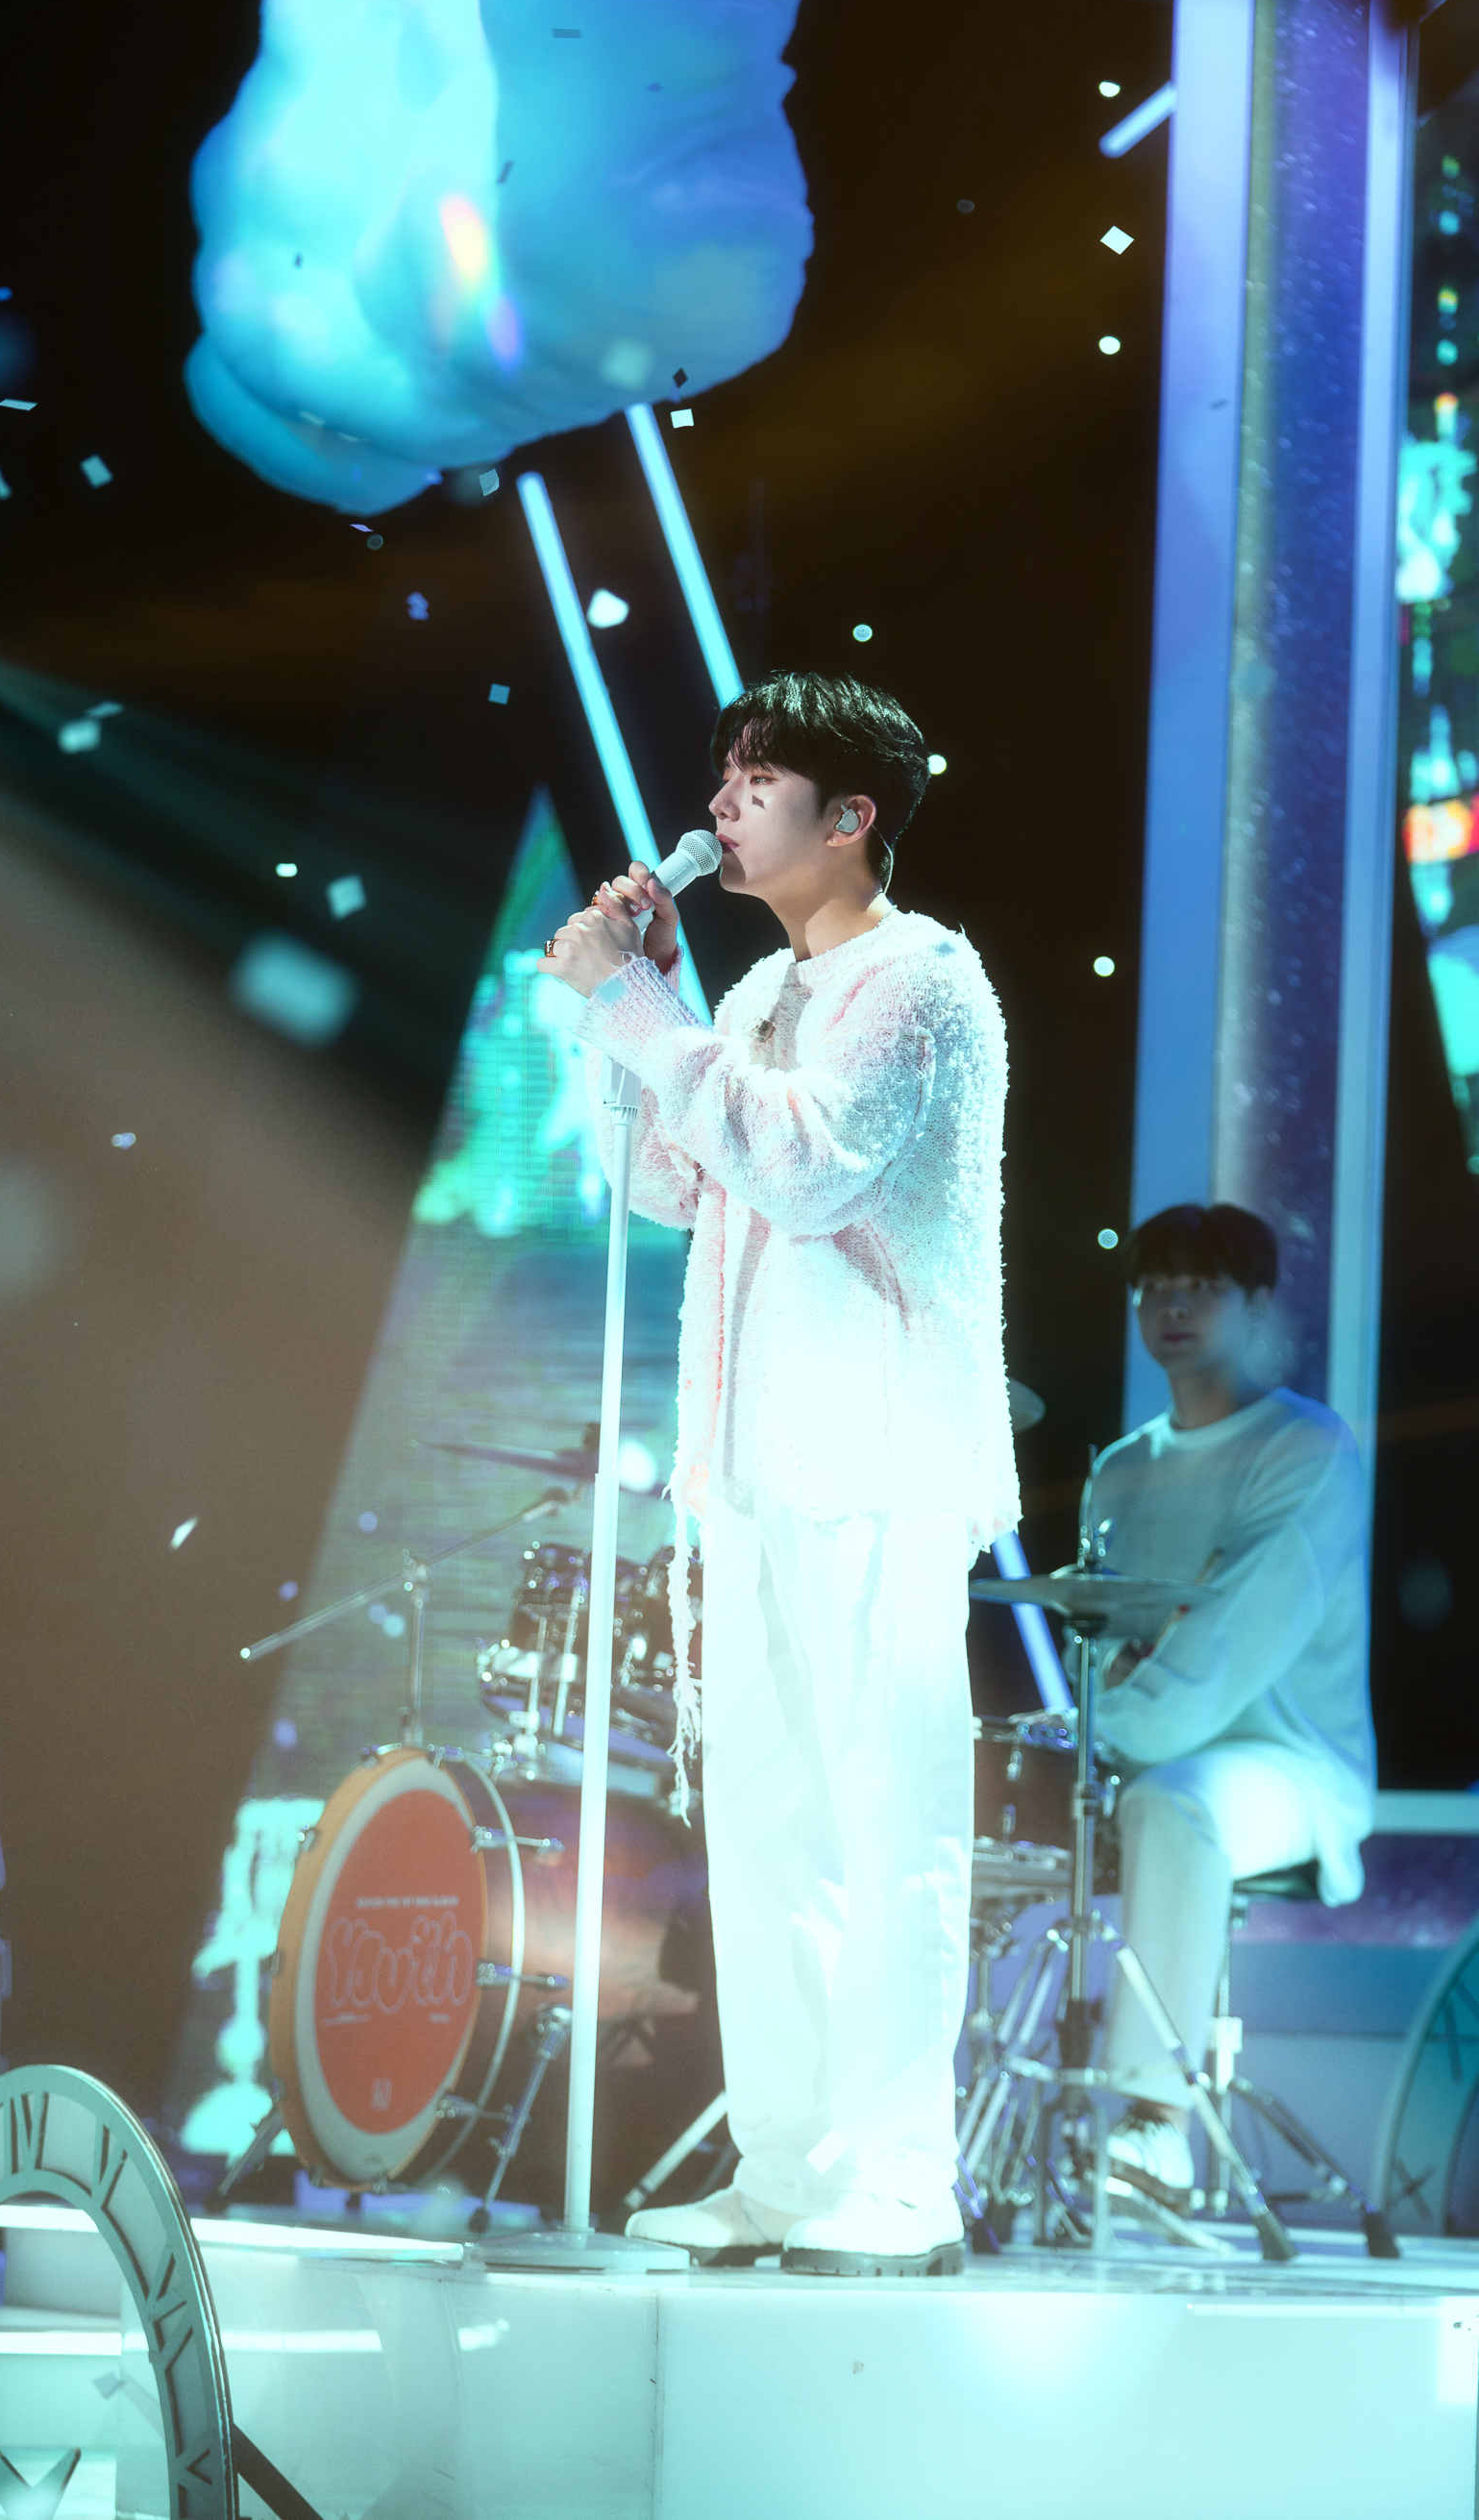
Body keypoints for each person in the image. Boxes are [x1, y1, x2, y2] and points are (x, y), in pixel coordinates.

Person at [537, 672, 1019, 2275]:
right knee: (763, 1828)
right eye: (723, 776)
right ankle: (786, 2163)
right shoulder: (751, 996)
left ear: (851, 815)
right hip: (748, 1469)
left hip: (874, 1456)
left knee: (891, 1822)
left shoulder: (923, 982)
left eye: (758, 779)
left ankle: (903, 2178)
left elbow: (808, 1171)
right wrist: (649, 1005)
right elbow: (678, 1183)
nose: (722, 805)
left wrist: (644, 1012)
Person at [1088, 1201, 1375, 2204]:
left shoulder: (1307, 1448)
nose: (1172, 1306)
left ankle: (1155, 2121)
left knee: (1178, 1804)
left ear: (1256, 1304)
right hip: (1146, 1747)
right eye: (1154, 1287)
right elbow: (1103, 1640)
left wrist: (1103, 1734)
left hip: (1290, 1762)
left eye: (1202, 1287)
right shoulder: (1121, 1470)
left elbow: (1232, 1640)